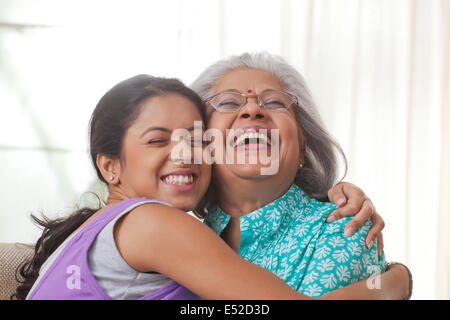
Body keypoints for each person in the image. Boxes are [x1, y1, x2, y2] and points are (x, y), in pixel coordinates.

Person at [14, 74, 399, 300]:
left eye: (195, 139)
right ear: (110, 166)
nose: (184, 154)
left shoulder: (110, 229)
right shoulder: (150, 223)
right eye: (157, 140)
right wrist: (398, 281)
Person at [190, 52, 412, 298]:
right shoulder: (178, 239)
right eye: (229, 102)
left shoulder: (344, 226)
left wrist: (399, 279)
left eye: (274, 102)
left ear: (302, 148)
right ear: (201, 145)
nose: (252, 109)